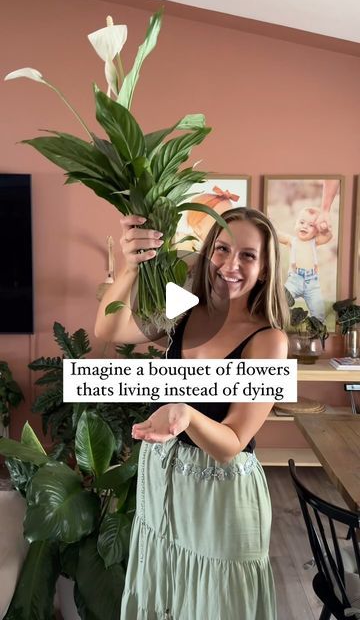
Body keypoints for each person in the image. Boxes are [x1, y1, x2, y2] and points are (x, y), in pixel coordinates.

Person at [95, 207, 289, 620]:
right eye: (222, 249)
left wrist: (186, 413)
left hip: (219, 494)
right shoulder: (183, 305)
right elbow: (110, 330)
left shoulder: (268, 340)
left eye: (248, 256)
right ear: (208, 252)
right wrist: (129, 267)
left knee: (216, 603)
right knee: (166, 591)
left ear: (267, 268)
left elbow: (231, 444)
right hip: (165, 477)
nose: (230, 265)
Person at [277, 206, 332, 322]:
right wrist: (269, 224)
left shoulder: (314, 241)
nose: (305, 226)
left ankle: (316, 329)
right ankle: (280, 321)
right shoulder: (291, 240)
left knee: (318, 312)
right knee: (281, 300)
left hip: (312, 283)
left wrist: (325, 229)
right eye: (301, 222)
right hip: (295, 280)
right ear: (295, 224)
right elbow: (277, 234)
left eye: (311, 225)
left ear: (316, 231)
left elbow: (328, 237)